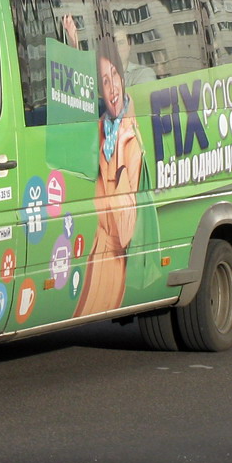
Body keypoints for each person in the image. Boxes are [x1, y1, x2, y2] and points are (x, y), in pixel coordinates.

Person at [76, 36, 144, 316]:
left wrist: (119, 174)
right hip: (96, 252)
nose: (112, 86)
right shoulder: (102, 127)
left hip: (113, 263)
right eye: (104, 80)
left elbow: (125, 232)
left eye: (114, 74)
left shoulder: (130, 139)